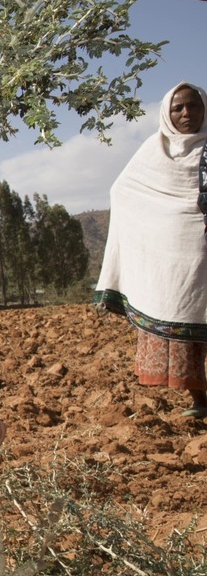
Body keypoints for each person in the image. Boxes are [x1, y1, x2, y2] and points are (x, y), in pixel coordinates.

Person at [94, 81, 207, 417]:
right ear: (167, 114)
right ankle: (200, 400)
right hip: (177, 262)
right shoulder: (153, 151)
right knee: (182, 328)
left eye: (194, 106)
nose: (187, 113)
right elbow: (123, 191)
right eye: (178, 108)